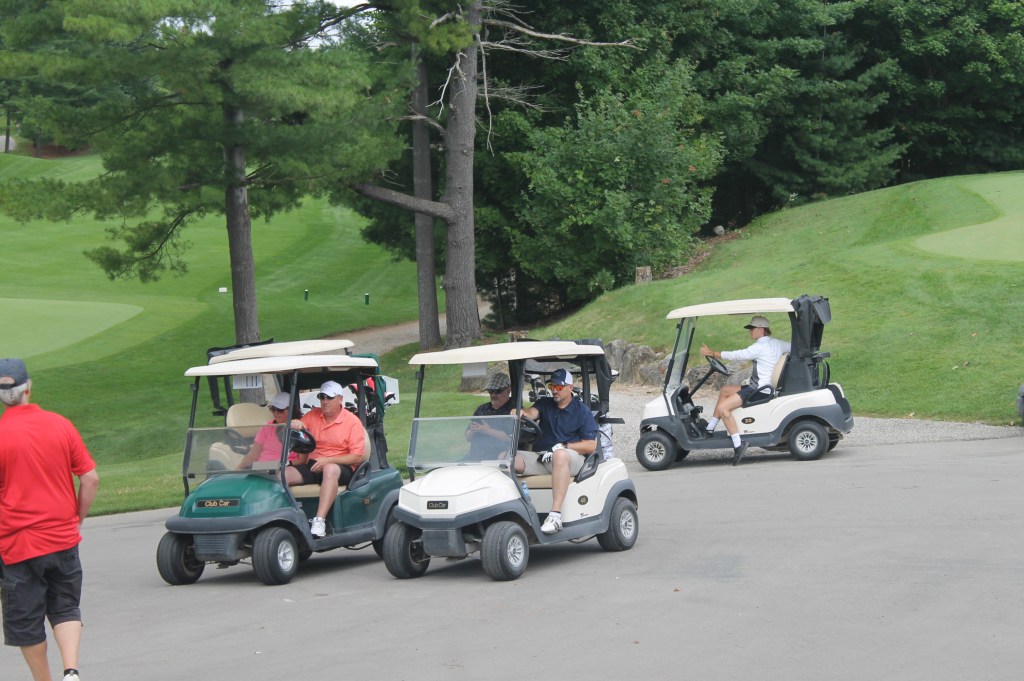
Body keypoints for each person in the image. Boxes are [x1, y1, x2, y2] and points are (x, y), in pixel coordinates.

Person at [0, 358, 99, 681]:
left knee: (27, 623)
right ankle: (71, 671)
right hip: (62, 538)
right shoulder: (60, 424)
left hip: (18, 546)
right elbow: (90, 478)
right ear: (28, 387)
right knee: (65, 606)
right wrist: (77, 519)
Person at [514, 368, 598, 535]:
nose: (554, 390)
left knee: (559, 455)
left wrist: (564, 446)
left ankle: (555, 515)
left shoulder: (582, 411)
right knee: (507, 457)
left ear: (570, 387)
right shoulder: (545, 403)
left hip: (571, 459)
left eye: (559, 387)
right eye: (552, 386)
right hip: (543, 458)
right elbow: (532, 413)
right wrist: (522, 413)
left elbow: (590, 445)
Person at [700, 315, 791, 464]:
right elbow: (793, 347)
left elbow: (737, 355)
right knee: (725, 390)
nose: (750, 332)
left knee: (724, 409)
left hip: (759, 390)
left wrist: (712, 353)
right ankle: (710, 429)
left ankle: (738, 445)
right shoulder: (777, 344)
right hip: (761, 387)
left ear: (761, 330)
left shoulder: (759, 347)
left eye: (752, 329)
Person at [287, 381, 367, 538]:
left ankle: (319, 521)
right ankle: (286, 518)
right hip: (315, 464)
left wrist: (328, 460)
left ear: (340, 399)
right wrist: (295, 423)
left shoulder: (352, 422)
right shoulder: (314, 415)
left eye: (329, 398)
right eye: (322, 397)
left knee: (330, 469)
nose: (325, 401)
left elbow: (357, 456)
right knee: (283, 474)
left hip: (341, 466)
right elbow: (301, 425)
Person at [235, 392, 298, 470]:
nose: (275, 413)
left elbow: (299, 460)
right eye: (273, 409)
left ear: (291, 409)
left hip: (282, 470)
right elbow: (253, 455)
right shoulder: (267, 426)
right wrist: (236, 471)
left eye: (280, 410)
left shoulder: (298, 428)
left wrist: (276, 466)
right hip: (261, 468)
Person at [465, 373, 515, 460]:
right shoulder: (481, 409)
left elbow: (512, 438)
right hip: (474, 458)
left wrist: (487, 430)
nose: (493, 395)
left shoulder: (514, 410)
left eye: (498, 391)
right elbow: (468, 438)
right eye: (490, 391)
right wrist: (473, 430)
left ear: (508, 390)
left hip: (498, 459)